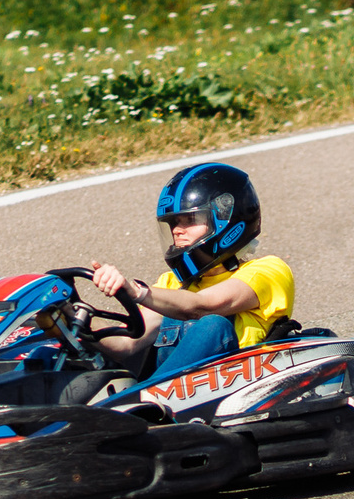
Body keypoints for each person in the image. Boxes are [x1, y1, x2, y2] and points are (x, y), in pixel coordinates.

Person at [87, 162, 296, 383]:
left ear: (225, 220)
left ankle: (141, 400)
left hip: (235, 387)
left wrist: (137, 292)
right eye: (175, 223)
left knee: (214, 325)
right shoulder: (172, 284)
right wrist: (68, 314)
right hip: (177, 401)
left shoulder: (269, 270)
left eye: (190, 220)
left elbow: (201, 306)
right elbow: (125, 344)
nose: (177, 230)